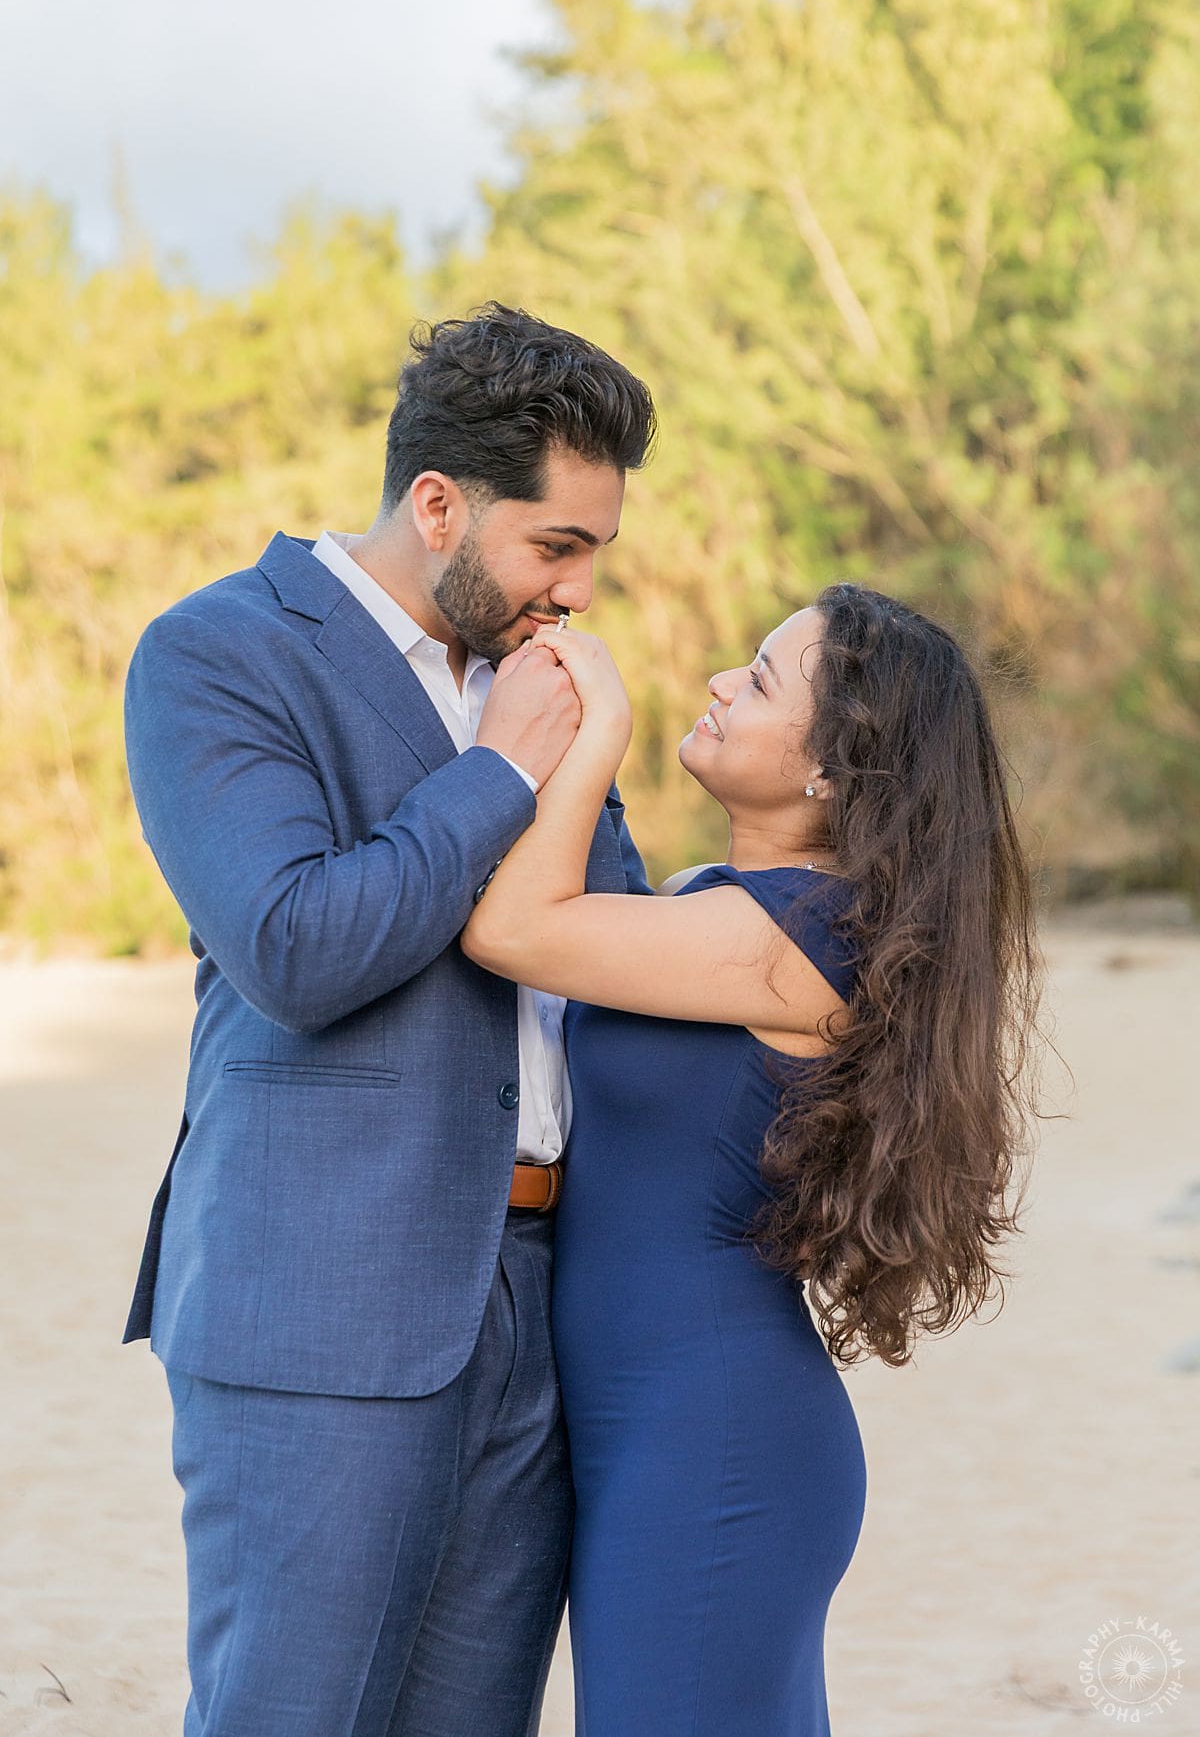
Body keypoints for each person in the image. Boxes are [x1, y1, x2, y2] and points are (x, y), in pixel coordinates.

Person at [120, 303, 657, 1736]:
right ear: (438, 504)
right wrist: (501, 772)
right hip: (324, 1307)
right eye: (559, 544)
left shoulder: (538, 682)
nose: (583, 591)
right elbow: (296, 945)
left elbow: (606, 945)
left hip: (547, 1296)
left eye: (597, 550)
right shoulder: (219, 653)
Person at [463, 586, 1042, 1735]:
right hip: (656, 1427)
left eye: (763, 677)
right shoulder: (712, 908)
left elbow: (513, 927)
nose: (724, 680)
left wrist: (598, 728)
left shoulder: (803, 933)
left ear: (839, 767)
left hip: (714, 1438)